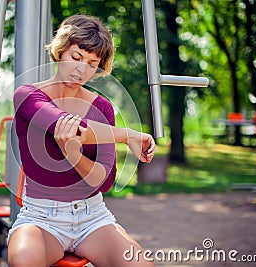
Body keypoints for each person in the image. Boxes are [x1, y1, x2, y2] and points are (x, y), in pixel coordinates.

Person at [8, 14, 156, 267]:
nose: (81, 70)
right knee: (23, 261)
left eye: (92, 63)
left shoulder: (102, 107)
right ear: (61, 52)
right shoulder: (28, 96)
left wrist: (73, 155)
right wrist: (128, 134)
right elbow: (72, 128)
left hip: (93, 217)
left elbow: (105, 181)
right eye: (76, 58)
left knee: (142, 265)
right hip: (41, 217)